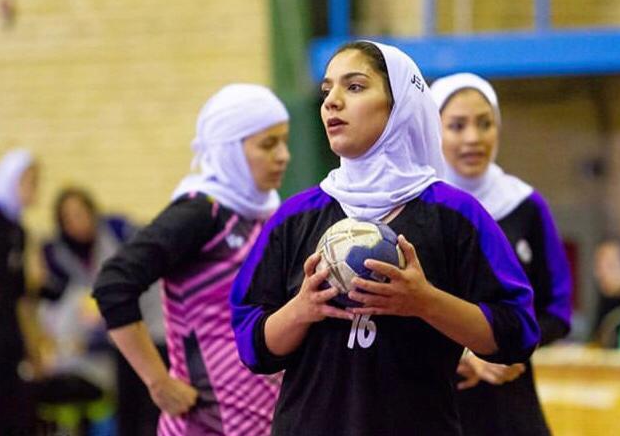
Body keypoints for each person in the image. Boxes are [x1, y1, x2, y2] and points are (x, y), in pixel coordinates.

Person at [230, 41, 539, 436]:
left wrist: (425, 302)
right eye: (327, 90)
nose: (332, 102)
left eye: (354, 87)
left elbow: (517, 332)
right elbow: (252, 347)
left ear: (400, 106)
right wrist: (302, 309)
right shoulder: (295, 217)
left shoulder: (456, 215)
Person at [92, 84, 291, 435]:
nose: (283, 156)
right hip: (205, 422)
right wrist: (157, 381)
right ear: (229, 149)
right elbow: (113, 284)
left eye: (284, 142)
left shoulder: (264, 213)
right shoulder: (201, 213)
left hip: (263, 418)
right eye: (268, 144)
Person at [430, 73, 572, 436]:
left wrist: (508, 348)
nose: (473, 138)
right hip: (436, 404)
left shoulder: (526, 205)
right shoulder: (419, 207)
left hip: (512, 403)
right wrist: (466, 353)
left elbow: (557, 309)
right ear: (432, 130)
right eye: (457, 126)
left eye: (485, 123)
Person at [40, 187, 164, 435]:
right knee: (126, 409)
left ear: (92, 212)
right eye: (68, 218)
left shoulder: (119, 232)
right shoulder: (60, 256)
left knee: (150, 406)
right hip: (110, 342)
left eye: (80, 213)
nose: (77, 223)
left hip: (147, 329)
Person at [0, 148, 40, 435]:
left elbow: (21, 296)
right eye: (29, 181)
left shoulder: (18, 231)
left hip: (9, 336)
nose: (34, 189)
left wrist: (33, 345)